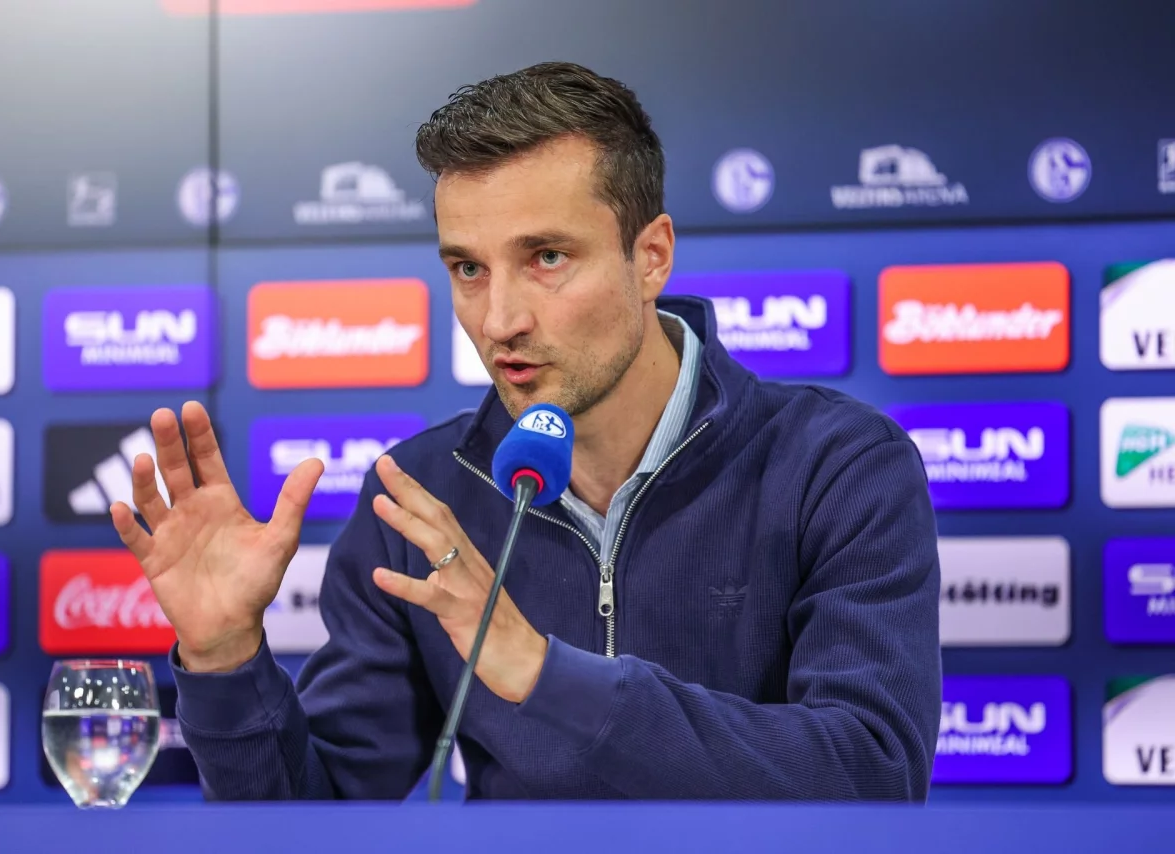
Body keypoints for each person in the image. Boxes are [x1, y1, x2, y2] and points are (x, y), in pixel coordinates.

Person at [111, 61, 942, 801]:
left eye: (547, 257)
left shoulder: (836, 466)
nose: (499, 319)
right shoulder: (419, 497)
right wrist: (224, 658)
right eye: (469, 268)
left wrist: (549, 676)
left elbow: (871, 773)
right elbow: (315, 824)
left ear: (650, 257)